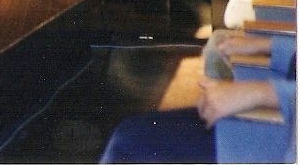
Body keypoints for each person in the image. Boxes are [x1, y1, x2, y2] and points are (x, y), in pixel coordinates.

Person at [99, 33, 296, 163]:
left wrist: (261, 92)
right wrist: (270, 45)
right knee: (129, 135)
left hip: (281, 138)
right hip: (281, 105)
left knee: (127, 146)